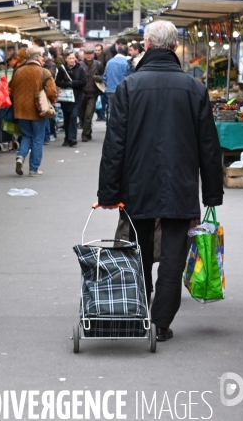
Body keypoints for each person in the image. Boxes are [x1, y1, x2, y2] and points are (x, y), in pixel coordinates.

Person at [98, 20, 223, 341]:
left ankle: (140, 310)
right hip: (180, 184)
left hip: (137, 182)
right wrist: (211, 193)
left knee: (137, 249)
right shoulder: (194, 88)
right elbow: (209, 145)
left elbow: (115, 144)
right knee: (173, 255)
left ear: (149, 46)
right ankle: (162, 323)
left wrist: (109, 192)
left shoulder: (129, 86)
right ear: (174, 47)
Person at [10, 47, 57, 176]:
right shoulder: (44, 72)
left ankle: (20, 156)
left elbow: (11, 90)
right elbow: (52, 92)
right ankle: (33, 169)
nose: (43, 58)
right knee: (37, 138)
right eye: (42, 56)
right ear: (36, 57)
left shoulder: (18, 71)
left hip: (20, 110)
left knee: (26, 135)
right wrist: (49, 101)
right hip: (38, 110)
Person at [55, 50, 87, 147]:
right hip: (66, 98)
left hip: (77, 97)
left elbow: (84, 82)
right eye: (70, 58)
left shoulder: (80, 69)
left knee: (73, 116)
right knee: (67, 117)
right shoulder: (62, 69)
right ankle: (67, 138)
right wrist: (67, 84)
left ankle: (72, 138)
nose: (72, 60)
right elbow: (57, 82)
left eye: (73, 58)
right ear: (65, 59)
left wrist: (73, 83)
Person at [79, 45, 103, 142]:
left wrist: (98, 78)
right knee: (82, 116)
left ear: (93, 55)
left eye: (90, 54)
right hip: (81, 94)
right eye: (87, 54)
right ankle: (88, 132)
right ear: (84, 55)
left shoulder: (98, 64)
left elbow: (103, 76)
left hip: (93, 94)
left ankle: (85, 135)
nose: (89, 56)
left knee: (88, 116)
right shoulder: (80, 65)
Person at [102, 43, 130, 114]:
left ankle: (110, 124)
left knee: (111, 110)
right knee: (123, 111)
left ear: (118, 51)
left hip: (111, 90)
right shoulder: (127, 63)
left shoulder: (109, 62)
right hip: (124, 91)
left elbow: (104, 77)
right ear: (127, 52)